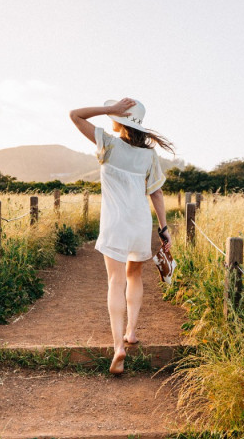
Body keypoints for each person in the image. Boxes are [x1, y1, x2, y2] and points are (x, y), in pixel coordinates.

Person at [69, 97, 174, 374]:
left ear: (120, 119)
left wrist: (106, 110)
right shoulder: (150, 155)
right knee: (134, 277)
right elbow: (157, 193)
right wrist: (163, 229)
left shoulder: (109, 144)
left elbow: (75, 115)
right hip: (140, 223)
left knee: (115, 280)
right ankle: (131, 332)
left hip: (114, 224)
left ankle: (118, 346)